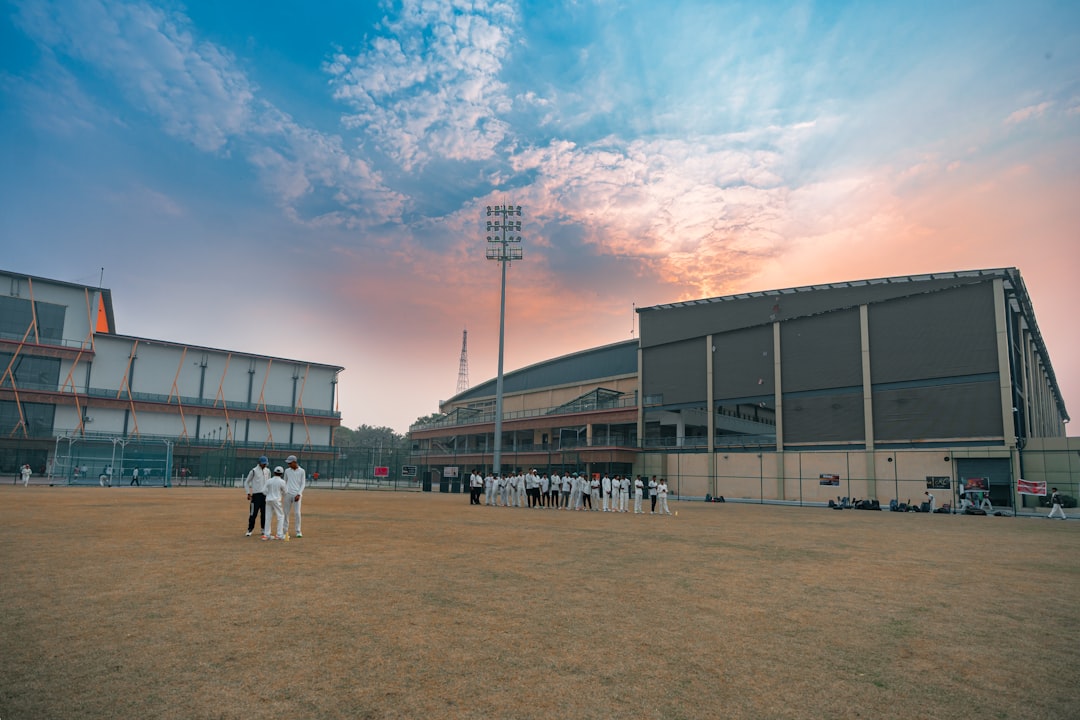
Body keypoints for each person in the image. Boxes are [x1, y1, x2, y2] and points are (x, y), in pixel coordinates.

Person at [244, 456, 271, 537]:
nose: (264, 465)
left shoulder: (268, 471)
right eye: (263, 464)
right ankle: (250, 529)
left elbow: (269, 482)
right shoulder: (253, 471)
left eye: (265, 464)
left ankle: (263, 529)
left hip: (265, 495)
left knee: (264, 514)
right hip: (256, 495)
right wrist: (248, 493)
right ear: (259, 463)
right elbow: (246, 482)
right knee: (253, 513)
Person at [282, 455, 306, 538]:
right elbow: (284, 481)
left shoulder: (302, 471)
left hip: (297, 495)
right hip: (288, 494)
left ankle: (298, 531)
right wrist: (284, 492)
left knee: (297, 513)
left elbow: (303, 483)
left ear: (295, 462)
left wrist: (299, 494)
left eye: (290, 463)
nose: (288, 464)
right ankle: (285, 531)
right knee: (286, 513)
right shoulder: (287, 471)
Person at [262, 466, 287, 540]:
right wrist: (280, 493)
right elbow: (285, 492)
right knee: (281, 516)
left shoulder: (269, 480)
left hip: (268, 499)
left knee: (268, 517)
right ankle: (279, 535)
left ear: (274, 472)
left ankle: (266, 535)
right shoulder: (282, 482)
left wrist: (269, 494)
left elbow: (263, 491)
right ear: (282, 474)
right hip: (276, 500)